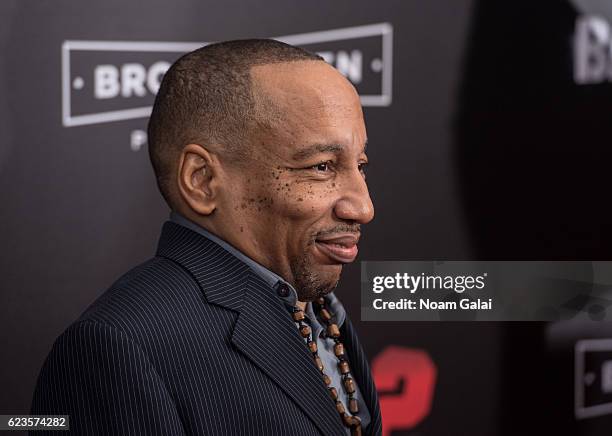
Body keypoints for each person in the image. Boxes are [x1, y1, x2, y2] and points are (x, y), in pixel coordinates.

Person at [31, 39, 381, 436]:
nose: (363, 207)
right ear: (202, 180)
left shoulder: (319, 308)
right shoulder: (117, 347)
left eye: (360, 165)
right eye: (321, 167)